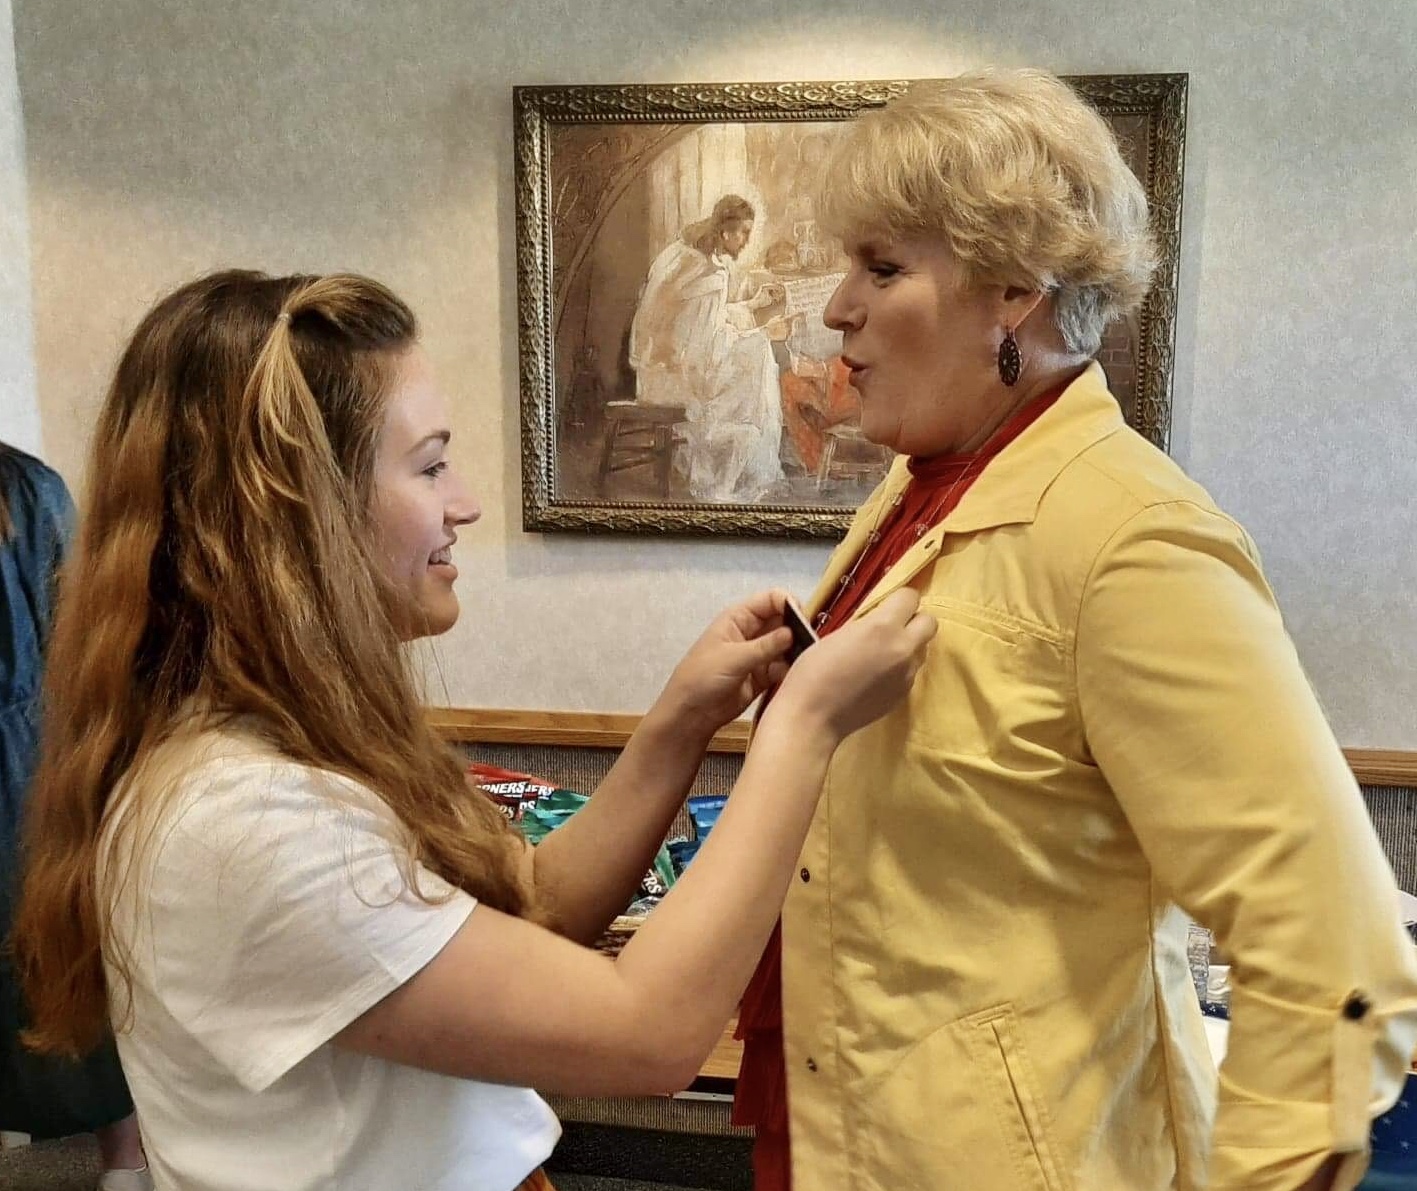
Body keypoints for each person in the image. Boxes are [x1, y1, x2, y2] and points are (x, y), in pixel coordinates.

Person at [10, 270, 936, 1191]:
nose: (464, 504)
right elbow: (647, 1033)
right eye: (428, 466)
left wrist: (682, 720)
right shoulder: (241, 819)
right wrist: (803, 725)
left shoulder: (288, 746)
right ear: (298, 512)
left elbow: (532, 907)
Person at [732, 68, 1417, 1191]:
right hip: (854, 1137)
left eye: (883, 268)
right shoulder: (917, 491)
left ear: (1013, 289)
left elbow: (1333, 958)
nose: (835, 308)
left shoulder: (1134, 541)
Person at [0, 443, 150, 1191]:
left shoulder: (28, 491)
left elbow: (86, 643)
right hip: (30, 756)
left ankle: (125, 1158)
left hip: (30, 769)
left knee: (61, 957)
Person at [628, 194, 790, 502]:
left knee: (751, 353)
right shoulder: (710, 275)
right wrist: (763, 333)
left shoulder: (682, 255)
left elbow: (697, 322)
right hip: (675, 384)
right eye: (743, 233)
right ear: (725, 231)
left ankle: (742, 457)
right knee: (758, 356)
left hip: (653, 373)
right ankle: (734, 469)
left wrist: (751, 305)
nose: (746, 241)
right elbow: (709, 348)